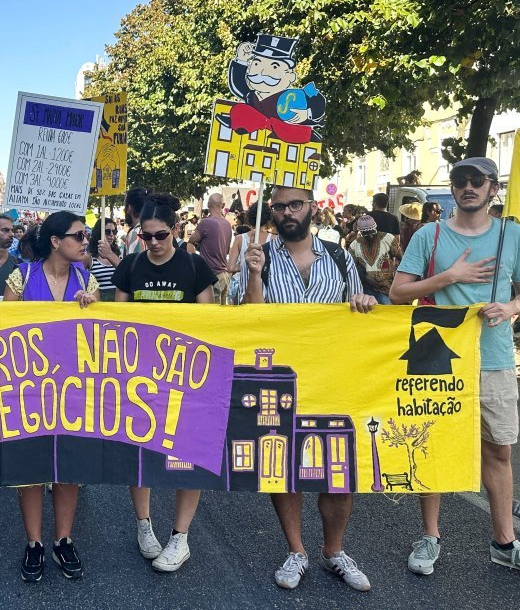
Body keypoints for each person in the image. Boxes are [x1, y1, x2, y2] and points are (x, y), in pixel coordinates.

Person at [390, 157, 520, 575]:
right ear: (451, 189)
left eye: (477, 181)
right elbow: (398, 293)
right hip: (437, 361)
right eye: (460, 180)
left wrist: (513, 307)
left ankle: (504, 542)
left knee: (498, 449)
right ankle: (430, 537)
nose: (468, 187)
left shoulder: (513, 235)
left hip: (494, 358)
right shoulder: (428, 236)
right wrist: (450, 276)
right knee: (432, 446)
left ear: (492, 189)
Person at [242, 186, 375, 592]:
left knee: (340, 469)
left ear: (311, 208)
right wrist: (252, 274)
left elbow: (358, 306)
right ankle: (296, 550)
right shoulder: (259, 258)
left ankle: (334, 551)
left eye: (294, 204)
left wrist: (365, 302)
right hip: (281, 379)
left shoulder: (338, 256)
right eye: (279, 206)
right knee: (283, 464)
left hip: (333, 376)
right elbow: (247, 320)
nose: (287, 212)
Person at [111, 194, 215, 572]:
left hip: (186, 376)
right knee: (140, 452)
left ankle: (180, 537)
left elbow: (210, 321)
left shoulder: (195, 265)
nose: (153, 243)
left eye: (160, 236)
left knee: (189, 453)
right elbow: (117, 322)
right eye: (146, 236)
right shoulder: (129, 266)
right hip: (140, 377)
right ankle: (144, 525)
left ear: (175, 231)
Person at [3, 211, 99, 582]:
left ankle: (63, 539)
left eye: (86, 235)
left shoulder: (87, 281)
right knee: (30, 466)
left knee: (69, 467)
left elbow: (101, 340)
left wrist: (91, 312)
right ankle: (34, 543)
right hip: (29, 391)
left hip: (73, 391)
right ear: (57, 241)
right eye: (78, 235)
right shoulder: (22, 276)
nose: (84, 241)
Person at [348, 214, 402, 305]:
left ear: (376, 228)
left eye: (372, 232)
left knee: (387, 313)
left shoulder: (388, 238)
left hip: (387, 289)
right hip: (366, 290)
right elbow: (351, 268)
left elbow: (399, 257)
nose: (370, 236)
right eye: (366, 234)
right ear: (360, 232)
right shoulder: (354, 245)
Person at [189, 193, 232, 304]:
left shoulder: (206, 223)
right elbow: (226, 250)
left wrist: (200, 245)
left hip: (211, 275)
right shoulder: (227, 224)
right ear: (223, 205)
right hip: (224, 275)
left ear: (208, 205)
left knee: (210, 315)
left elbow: (191, 241)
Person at [88, 217, 121, 301]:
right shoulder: (89, 257)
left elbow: (125, 273)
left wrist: (110, 254)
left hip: (118, 303)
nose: (111, 235)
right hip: (99, 304)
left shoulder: (119, 255)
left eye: (114, 231)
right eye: (107, 231)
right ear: (99, 233)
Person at [123, 186, 151, 256]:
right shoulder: (154, 229)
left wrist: (110, 255)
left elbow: (132, 265)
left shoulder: (136, 233)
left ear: (129, 208)